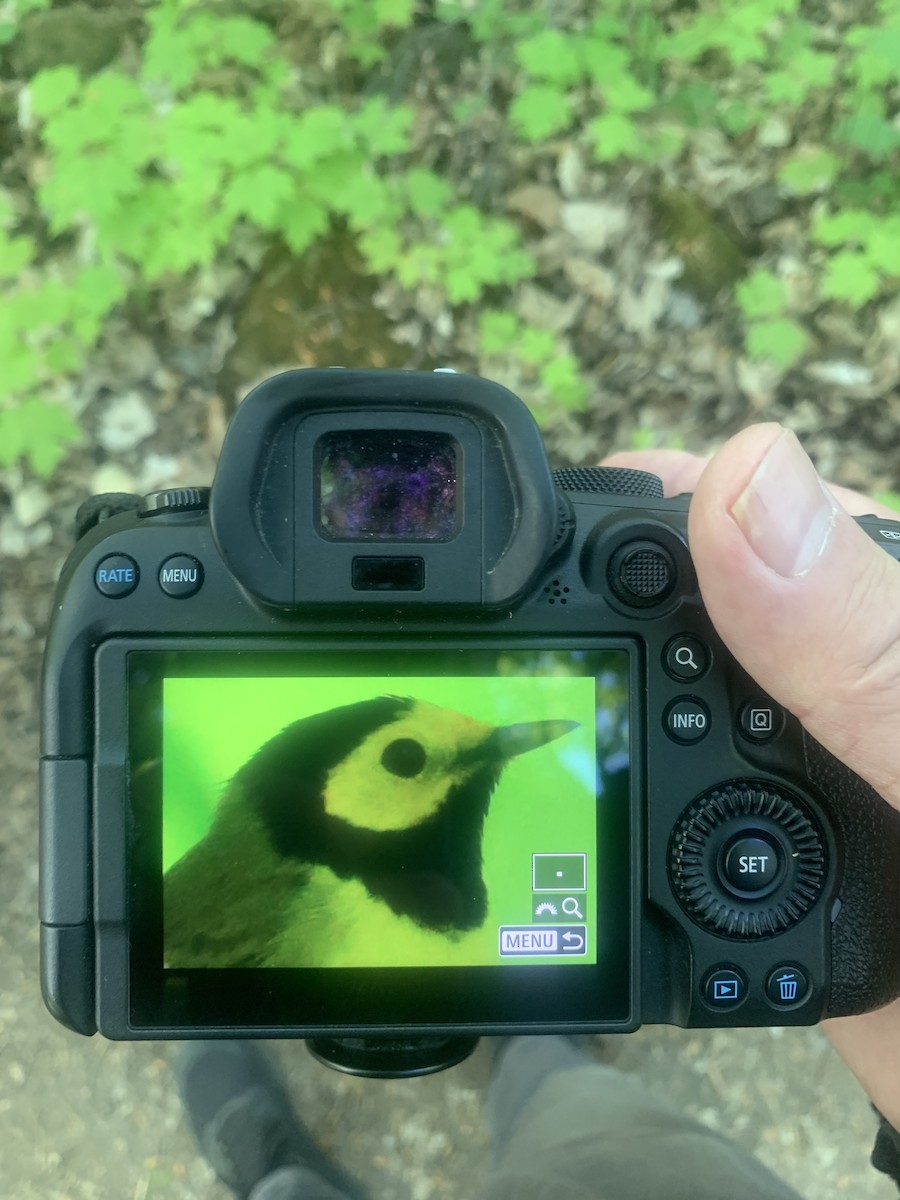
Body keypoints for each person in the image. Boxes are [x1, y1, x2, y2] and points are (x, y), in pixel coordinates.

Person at [174, 423, 900, 1198]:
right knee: (583, 1115)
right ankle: (537, 1047)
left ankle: (282, 1169)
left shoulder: (376, 876)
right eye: (406, 756)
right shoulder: (292, 897)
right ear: (313, 800)